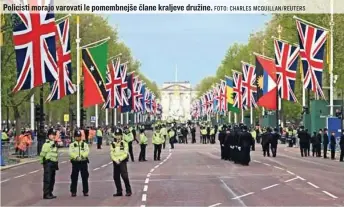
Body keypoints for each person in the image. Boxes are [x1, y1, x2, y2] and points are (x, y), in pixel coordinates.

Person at [111, 128, 132, 197]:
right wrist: (115, 160)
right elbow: (112, 153)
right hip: (115, 161)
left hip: (122, 161)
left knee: (124, 176)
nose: (118, 136)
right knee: (116, 177)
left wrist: (120, 159)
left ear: (121, 135)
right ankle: (119, 191)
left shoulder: (124, 143)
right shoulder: (113, 144)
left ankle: (128, 191)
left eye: (119, 135)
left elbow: (125, 153)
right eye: (116, 135)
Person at [69, 130, 90, 197]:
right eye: (76, 137)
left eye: (79, 136)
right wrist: (76, 157)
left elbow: (87, 151)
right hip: (75, 162)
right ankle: (73, 191)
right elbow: (70, 152)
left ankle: (85, 191)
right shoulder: (72, 145)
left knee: (85, 177)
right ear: (74, 137)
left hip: (83, 162)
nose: (78, 138)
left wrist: (82, 156)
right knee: (74, 177)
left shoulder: (84, 144)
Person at [40, 128, 59, 199]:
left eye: (54, 135)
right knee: (47, 179)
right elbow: (42, 154)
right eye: (51, 135)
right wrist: (43, 162)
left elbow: (55, 154)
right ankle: (46, 194)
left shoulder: (54, 144)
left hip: (54, 163)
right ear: (48, 136)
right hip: (48, 163)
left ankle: (50, 192)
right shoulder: (46, 144)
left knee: (52, 179)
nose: (53, 136)